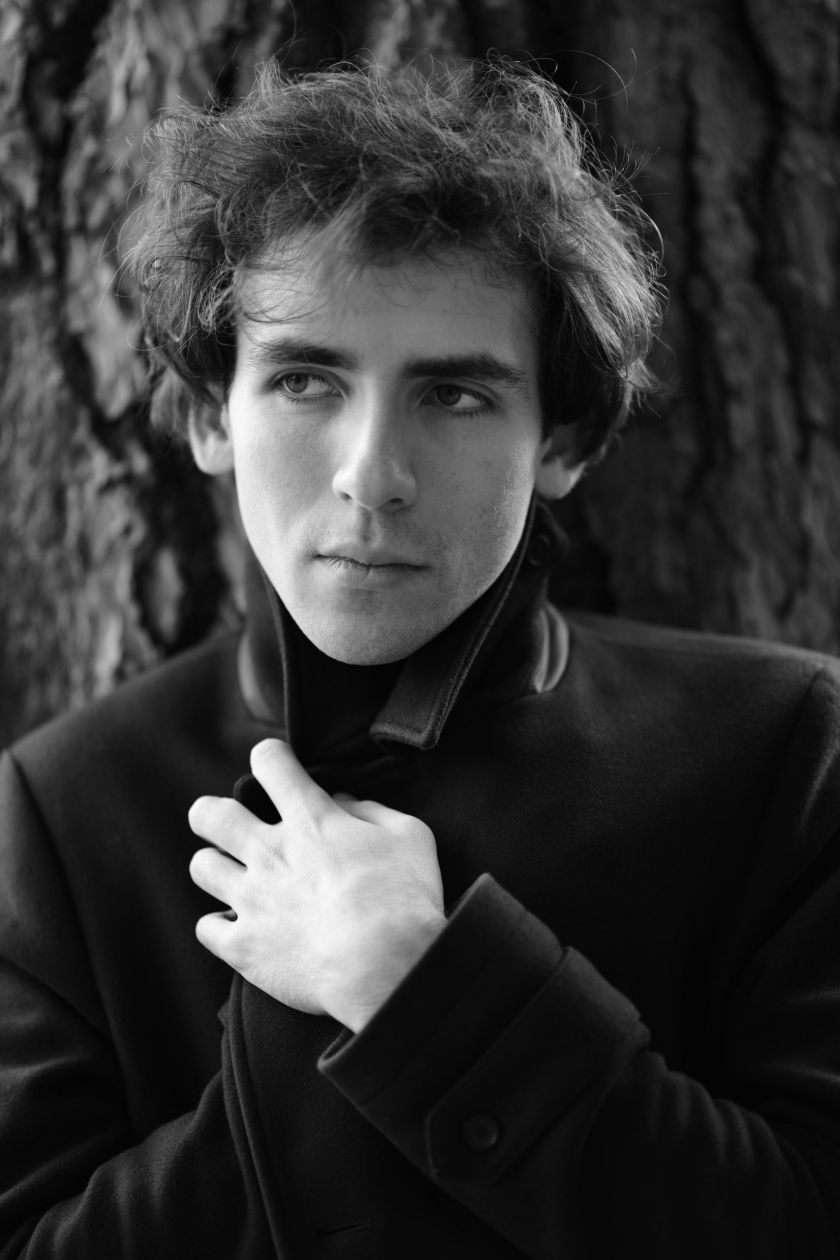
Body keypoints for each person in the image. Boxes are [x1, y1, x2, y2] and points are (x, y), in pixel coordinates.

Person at [1, 56, 839, 1260]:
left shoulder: (788, 748)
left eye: (451, 396)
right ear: (206, 418)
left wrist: (423, 986)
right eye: (304, 380)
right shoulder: (54, 810)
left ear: (563, 443)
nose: (370, 477)